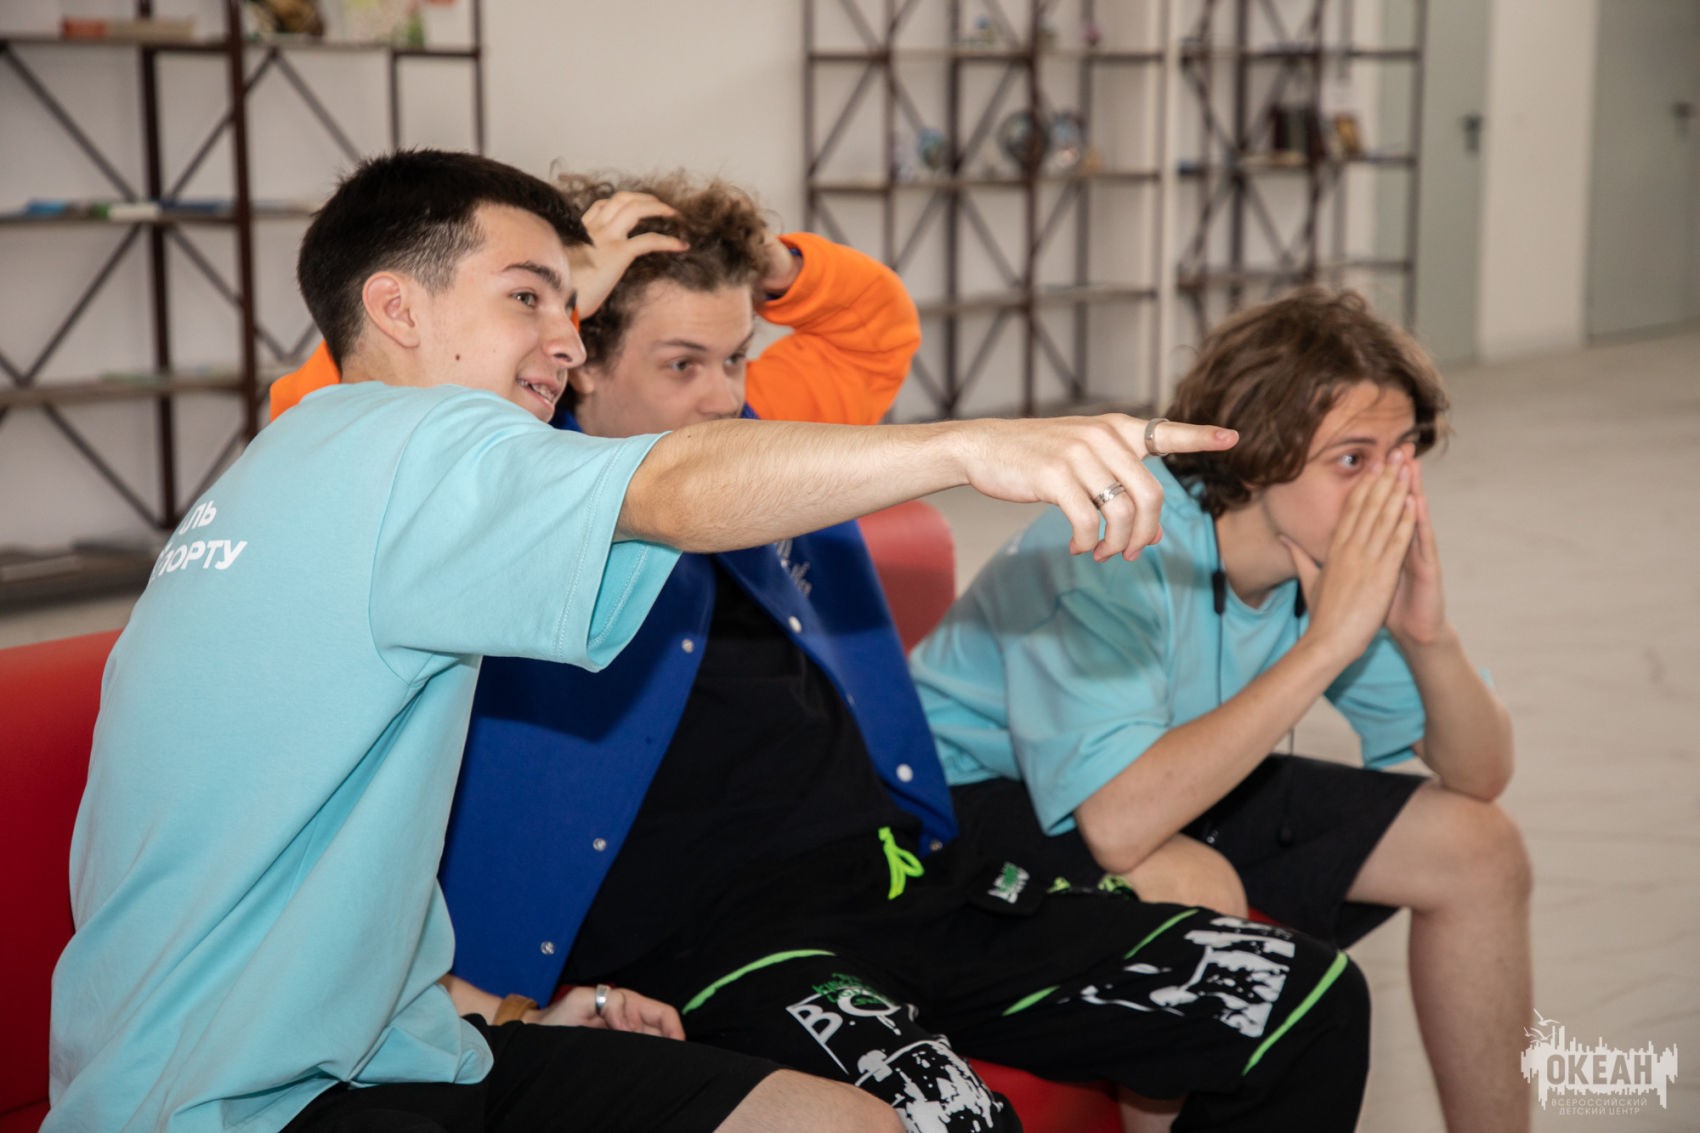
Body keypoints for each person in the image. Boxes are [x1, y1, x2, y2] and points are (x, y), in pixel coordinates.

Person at [43, 149, 1227, 1133]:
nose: (565, 339)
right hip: (238, 1104)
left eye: (573, 305)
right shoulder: (401, 446)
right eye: (528, 297)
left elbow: (307, 883)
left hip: (404, 1045)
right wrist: (970, 446)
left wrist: (505, 1011)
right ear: (397, 309)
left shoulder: (315, 480)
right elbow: (664, 482)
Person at [279, 170, 1371, 1132]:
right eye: (682, 362)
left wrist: (766, 261)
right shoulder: (485, 500)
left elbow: (875, 328)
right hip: (717, 940)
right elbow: (324, 411)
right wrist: (572, 283)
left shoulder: (755, 441)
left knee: (1302, 998)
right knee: (952, 1117)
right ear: (578, 360)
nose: (725, 395)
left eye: (734, 359)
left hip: (897, 881)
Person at [910, 287, 1532, 1133]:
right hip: (964, 807)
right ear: (1260, 456)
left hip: (1159, 774)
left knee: (1478, 847)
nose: (1388, 490)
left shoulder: (1322, 556)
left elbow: (1482, 772)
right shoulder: (1118, 538)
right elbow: (1121, 824)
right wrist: (1328, 644)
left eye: (1402, 454)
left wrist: (1428, 636)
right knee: (1194, 887)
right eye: (1353, 459)